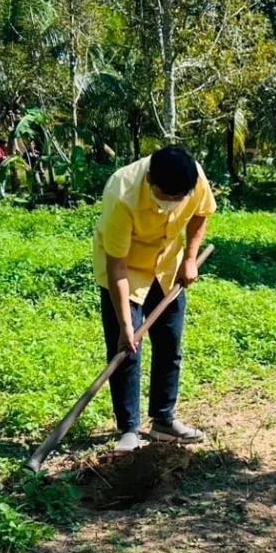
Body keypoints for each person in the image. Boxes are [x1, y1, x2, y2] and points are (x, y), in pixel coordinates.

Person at [94, 145, 216, 452]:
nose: (172, 203)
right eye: (166, 196)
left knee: (170, 344)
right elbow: (117, 266)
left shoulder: (193, 177)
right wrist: (126, 326)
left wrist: (190, 259)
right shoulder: (122, 192)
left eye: (178, 198)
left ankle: (163, 420)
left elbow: (201, 213)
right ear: (150, 179)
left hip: (167, 268)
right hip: (127, 272)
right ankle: (129, 430)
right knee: (127, 351)